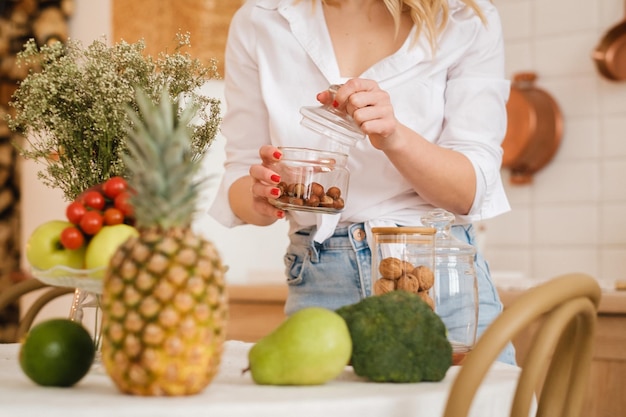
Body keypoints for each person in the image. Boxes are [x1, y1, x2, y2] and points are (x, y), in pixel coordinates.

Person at [209, 0, 516, 364]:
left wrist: (395, 137)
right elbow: (241, 178)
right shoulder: (260, 19)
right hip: (323, 282)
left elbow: (470, 192)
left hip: (438, 279)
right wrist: (262, 193)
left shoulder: (463, 17)